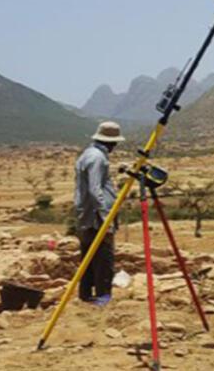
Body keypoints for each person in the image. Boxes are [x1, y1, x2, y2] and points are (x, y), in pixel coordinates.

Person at [73, 121, 125, 306]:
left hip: (87, 214)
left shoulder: (88, 154)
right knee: (103, 257)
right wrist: (106, 218)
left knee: (88, 255)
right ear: (111, 142)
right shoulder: (98, 158)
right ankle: (103, 296)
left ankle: (86, 294)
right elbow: (95, 190)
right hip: (96, 217)